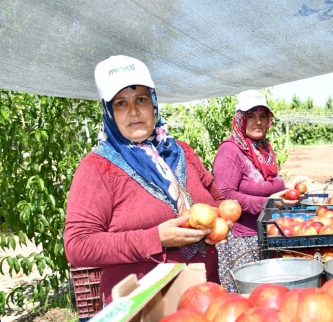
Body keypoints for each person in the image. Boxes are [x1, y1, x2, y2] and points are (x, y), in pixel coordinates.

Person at [64, 55, 226, 305]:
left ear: (153, 103)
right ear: (109, 112)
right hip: (144, 308)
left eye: (141, 99)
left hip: (204, 296)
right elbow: (78, 245)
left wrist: (223, 220)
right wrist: (154, 238)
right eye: (120, 103)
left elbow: (217, 199)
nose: (133, 111)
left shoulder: (181, 151)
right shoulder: (98, 168)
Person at [213, 90, 297, 293]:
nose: (258, 122)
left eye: (263, 116)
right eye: (250, 116)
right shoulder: (230, 151)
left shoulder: (263, 149)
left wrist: (287, 191)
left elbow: (267, 186)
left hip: (267, 234)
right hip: (244, 241)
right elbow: (224, 196)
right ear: (240, 119)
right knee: (249, 298)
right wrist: (269, 203)